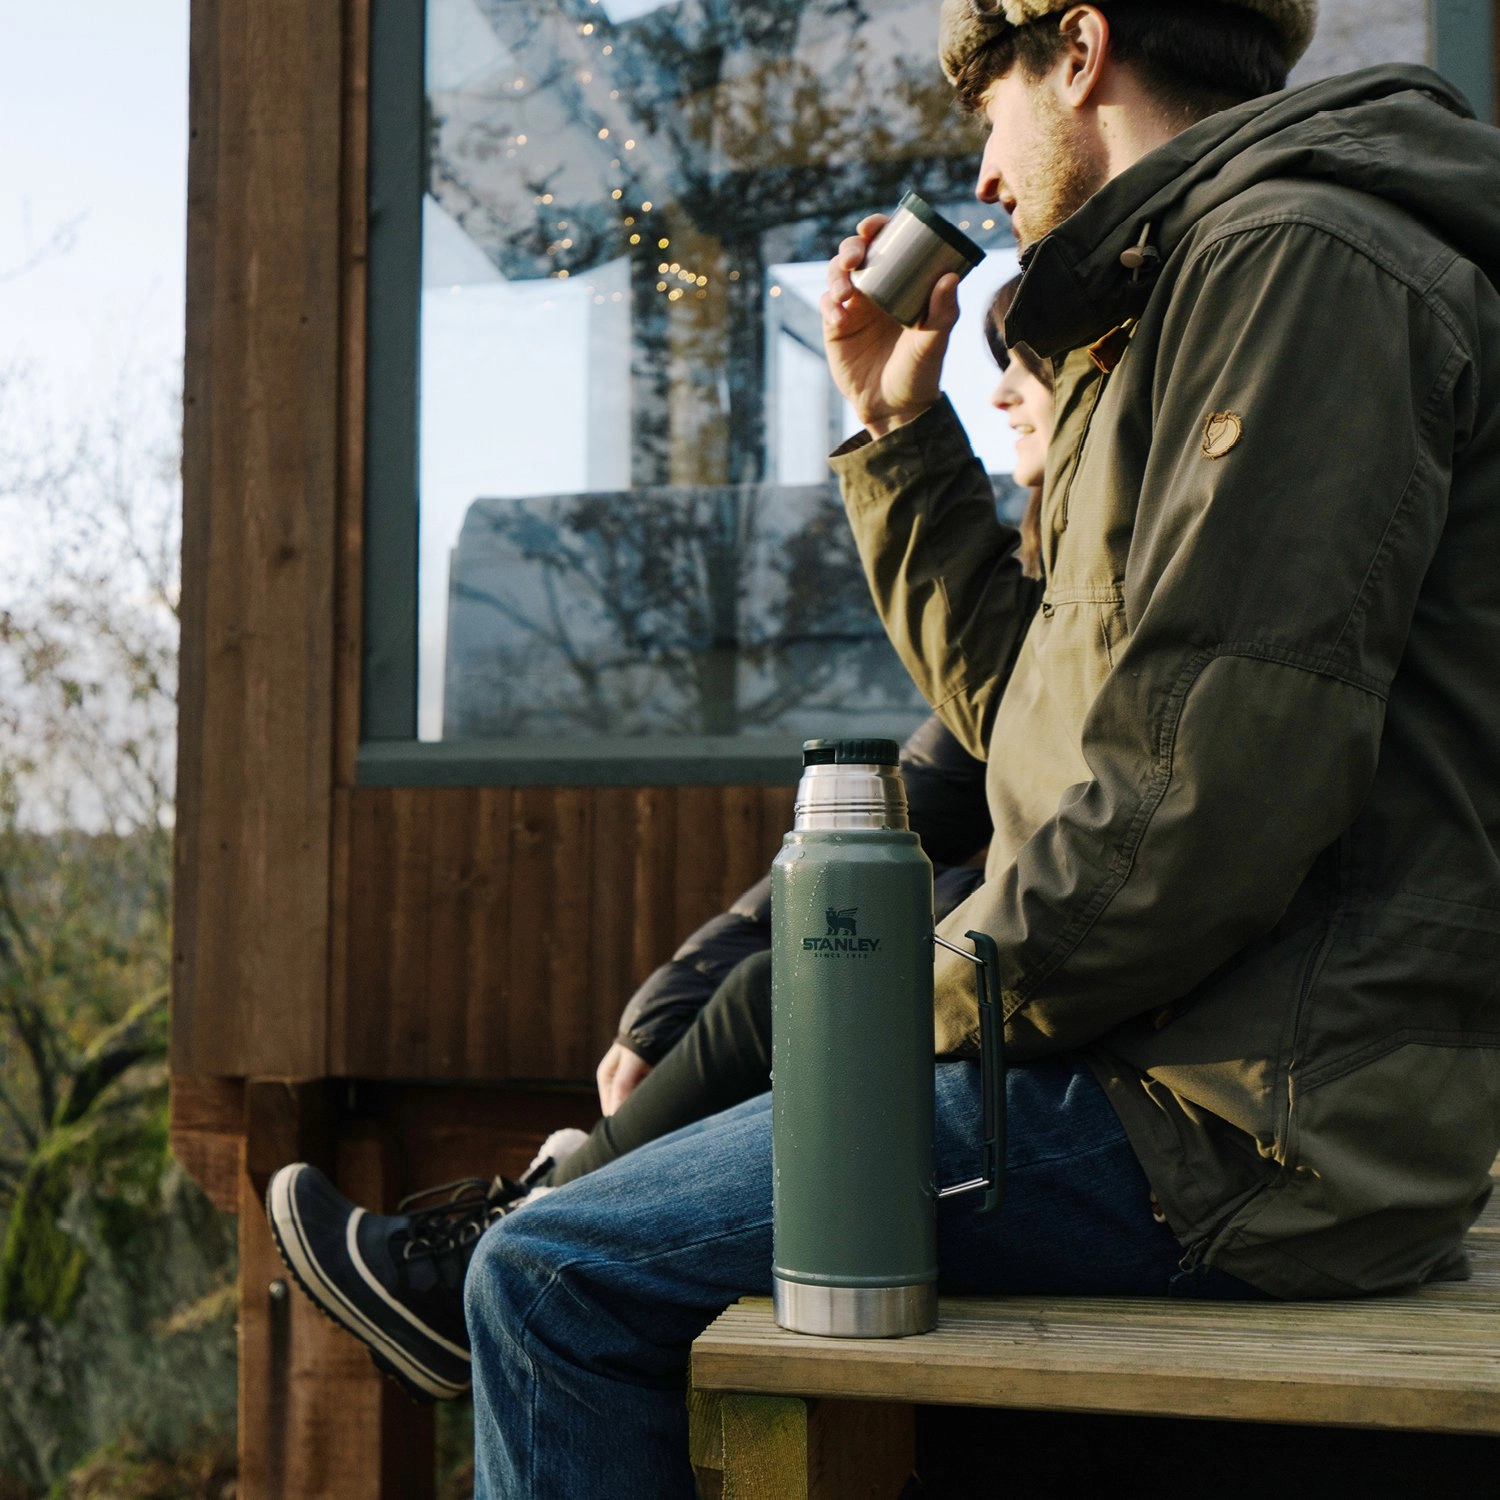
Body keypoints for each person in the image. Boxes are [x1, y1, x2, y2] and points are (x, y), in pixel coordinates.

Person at [449, 1, 1500, 1492]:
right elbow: (1042, 737)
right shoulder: (1172, 304)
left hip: (1245, 1129)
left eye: (987, 107)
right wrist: (900, 439)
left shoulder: (1296, 265)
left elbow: (1199, 800)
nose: (986, 173)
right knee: (585, 1243)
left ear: (1079, 50)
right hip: (1183, 1073)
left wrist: (880, 1010)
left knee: (556, 1278)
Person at [263, 279, 1054, 1402]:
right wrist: (679, 987)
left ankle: (519, 1231)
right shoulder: (1047, 598)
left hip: (1091, 1074)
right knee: (773, 976)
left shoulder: (1101, 591)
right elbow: (914, 792)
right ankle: (534, 1216)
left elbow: (1038, 832)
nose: (1003, 392)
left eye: (1028, 365)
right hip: (1026, 1024)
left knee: (780, 1004)